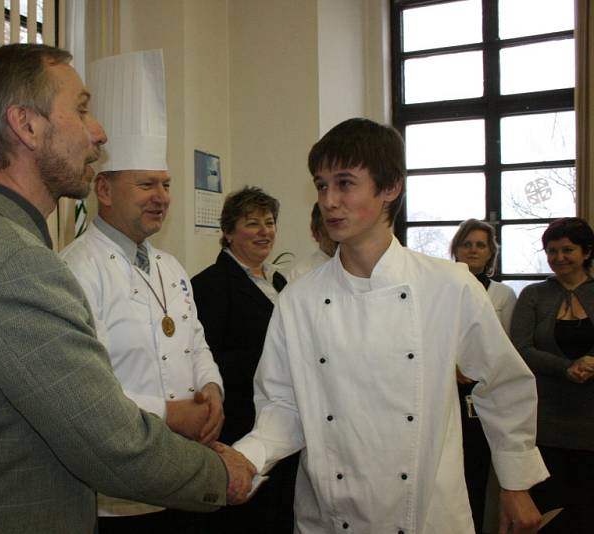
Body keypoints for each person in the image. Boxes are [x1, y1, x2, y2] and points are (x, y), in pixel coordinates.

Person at [0, 44, 253, 534]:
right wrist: (220, 474)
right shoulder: (17, 264)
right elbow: (109, 441)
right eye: (81, 108)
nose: (98, 132)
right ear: (26, 125)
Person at [229, 117, 548, 533]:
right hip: (329, 516)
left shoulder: (447, 285)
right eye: (321, 185)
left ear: (391, 188)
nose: (329, 201)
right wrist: (247, 455)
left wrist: (515, 483)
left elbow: (503, 384)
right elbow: (283, 405)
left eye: (345, 183)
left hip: (427, 513)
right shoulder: (299, 298)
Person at [59, 49, 227, 534]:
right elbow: (87, 391)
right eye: (147, 185)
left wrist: (211, 389)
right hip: (116, 499)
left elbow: (195, 341)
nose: (163, 198)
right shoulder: (75, 270)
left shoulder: (170, 267)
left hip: (183, 474)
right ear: (105, 190)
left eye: (168, 185)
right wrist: (171, 415)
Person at [191, 186, 298, 533]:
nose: (264, 231)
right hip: (242, 421)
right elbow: (208, 359)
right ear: (228, 232)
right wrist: (275, 360)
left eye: (269, 223)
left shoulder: (279, 280)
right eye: (252, 224)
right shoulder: (211, 285)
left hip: (284, 417)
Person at [511, 217, 594, 533]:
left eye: (568, 250)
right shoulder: (533, 294)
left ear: (586, 252)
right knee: (548, 510)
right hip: (547, 420)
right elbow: (520, 348)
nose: (559, 257)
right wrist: (565, 368)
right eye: (552, 251)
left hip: (590, 421)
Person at [449, 218, 518, 533]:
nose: (473, 250)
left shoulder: (503, 295)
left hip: (485, 393)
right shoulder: (443, 287)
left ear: (491, 252)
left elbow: (507, 348)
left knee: (478, 469)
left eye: (480, 245)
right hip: (447, 390)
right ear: (456, 249)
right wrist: (453, 367)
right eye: (467, 244)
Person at [289, 202, 336, 282]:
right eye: (331, 225)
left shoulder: (359, 268)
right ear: (316, 233)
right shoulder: (301, 274)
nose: (337, 235)